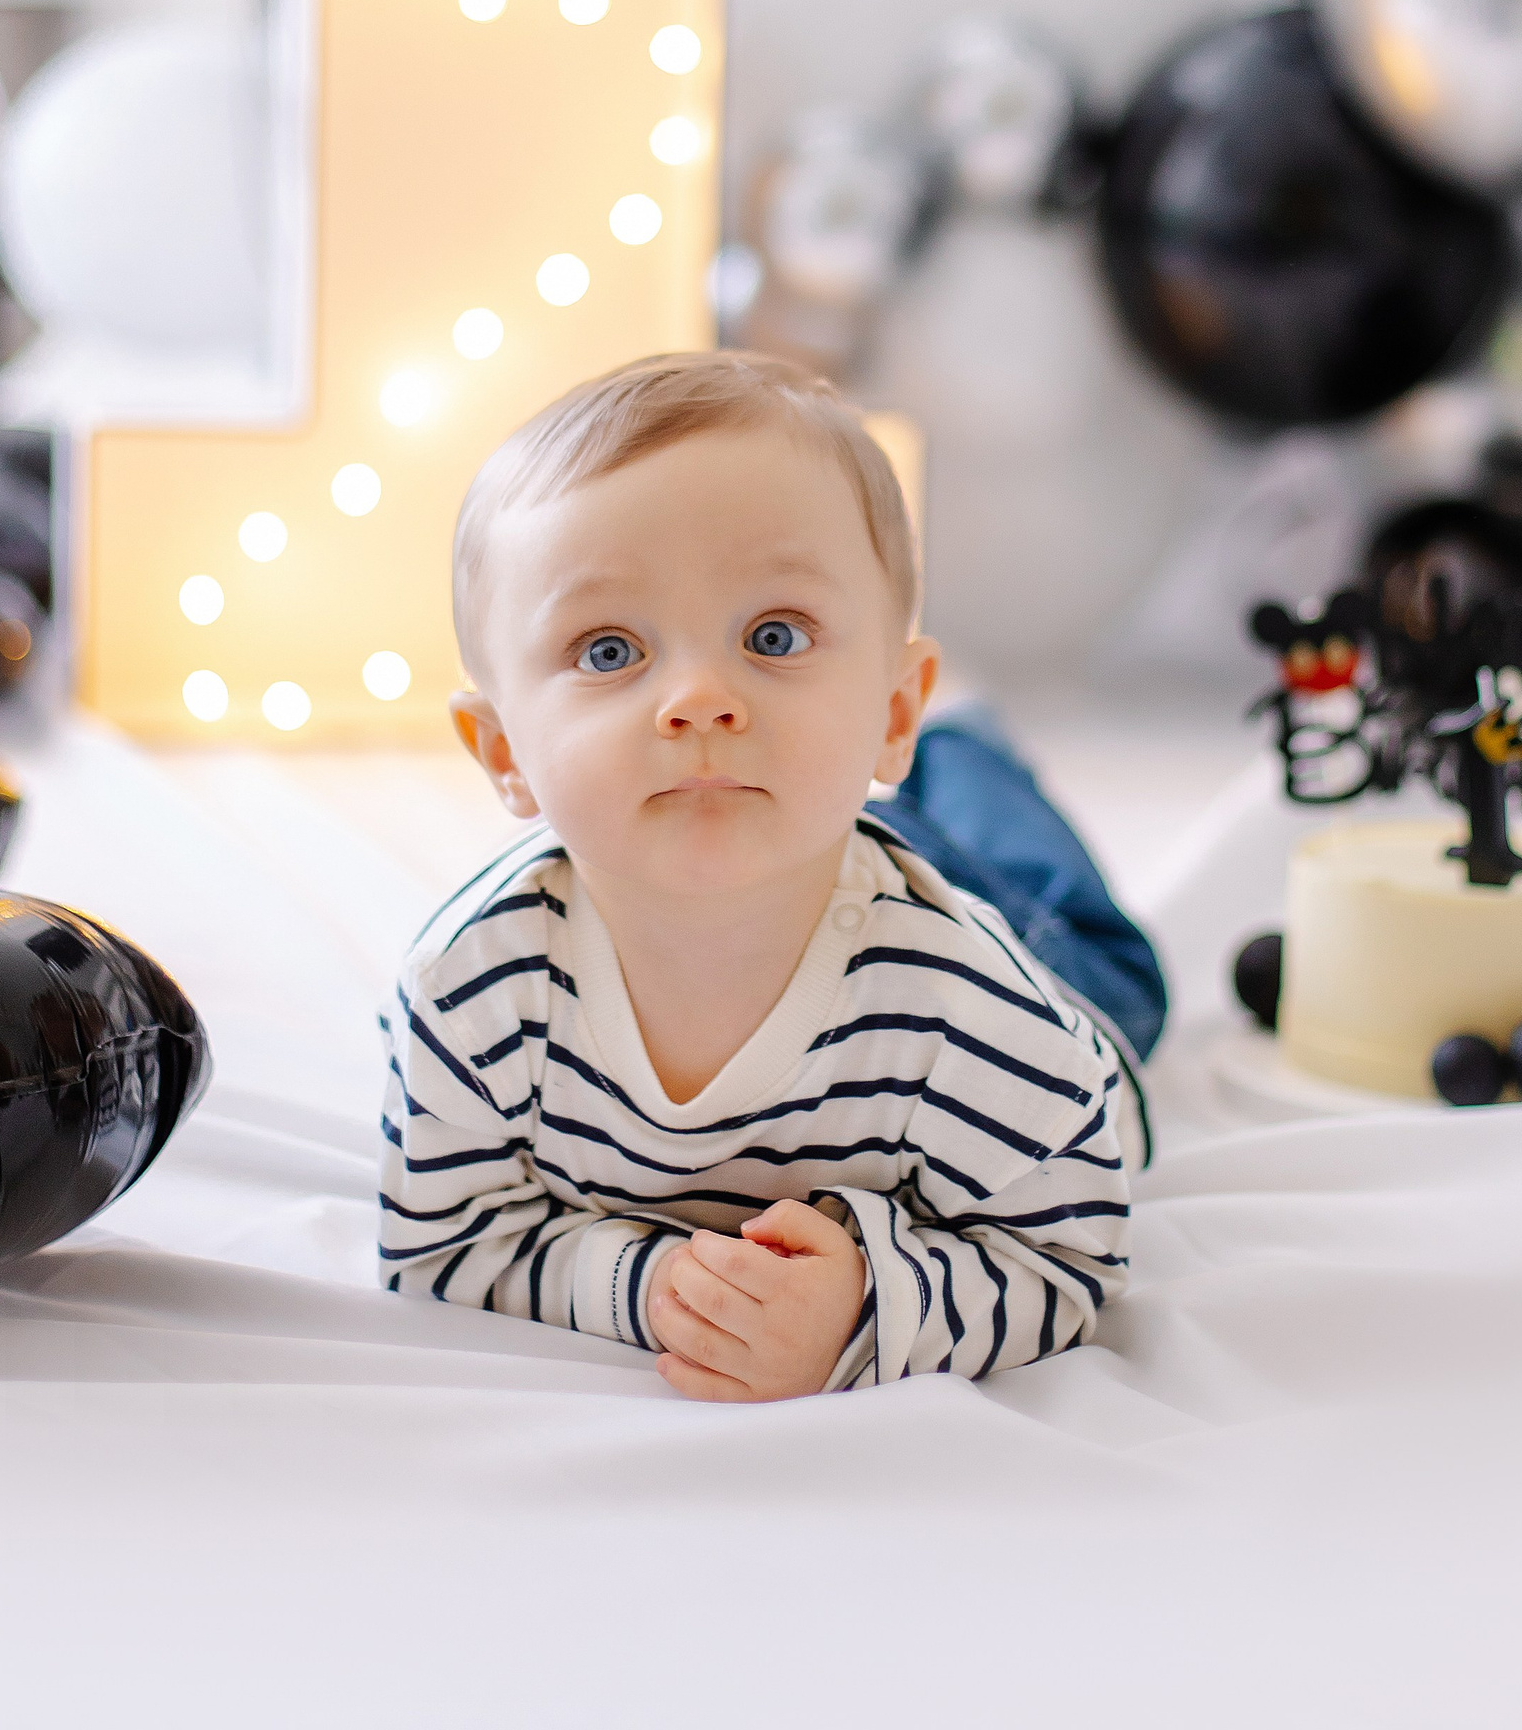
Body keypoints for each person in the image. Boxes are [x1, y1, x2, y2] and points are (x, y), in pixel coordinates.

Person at [379, 352, 1164, 1400]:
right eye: (609, 650)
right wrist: (652, 1288)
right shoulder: (471, 986)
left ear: (893, 709)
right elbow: (442, 1241)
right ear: (503, 752)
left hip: (1035, 958)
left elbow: (1066, 1256)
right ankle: (938, 770)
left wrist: (861, 1313)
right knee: (865, 810)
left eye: (774, 635)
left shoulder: (976, 1006)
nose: (701, 698)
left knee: (1092, 945)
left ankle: (969, 753)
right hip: (827, 823)